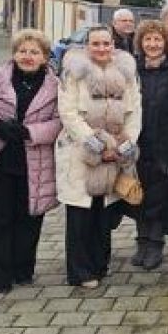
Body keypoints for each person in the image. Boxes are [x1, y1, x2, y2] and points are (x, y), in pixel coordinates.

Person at [0, 29, 61, 293]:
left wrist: (33, 132)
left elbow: (61, 121)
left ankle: (22, 270)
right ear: (14, 53)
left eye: (34, 52)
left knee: (29, 217)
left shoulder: (56, 85)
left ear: (44, 57)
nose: (27, 56)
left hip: (35, 159)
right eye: (22, 51)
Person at [56, 26, 141, 288]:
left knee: (104, 212)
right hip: (81, 152)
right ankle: (80, 271)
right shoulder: (73, 72)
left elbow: (135, 110)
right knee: (81, 212)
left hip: (114, 151)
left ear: (113, 45)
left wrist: (125, 143)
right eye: (96, 44)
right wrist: (93, 143)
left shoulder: (126, 72)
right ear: (87, 46)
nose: (102, 49)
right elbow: (68, 111)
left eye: (106, 43)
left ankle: (100, 264)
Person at [129, 20, 168, 271]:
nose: (152, 44)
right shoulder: (133, 69)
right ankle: (141, 241)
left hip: (164, 143)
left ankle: (156, 243)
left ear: (165, 43)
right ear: (141, 43)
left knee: (158, 196)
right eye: (147, 39)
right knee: (138, 194)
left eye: (157, 39)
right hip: (137, 142)